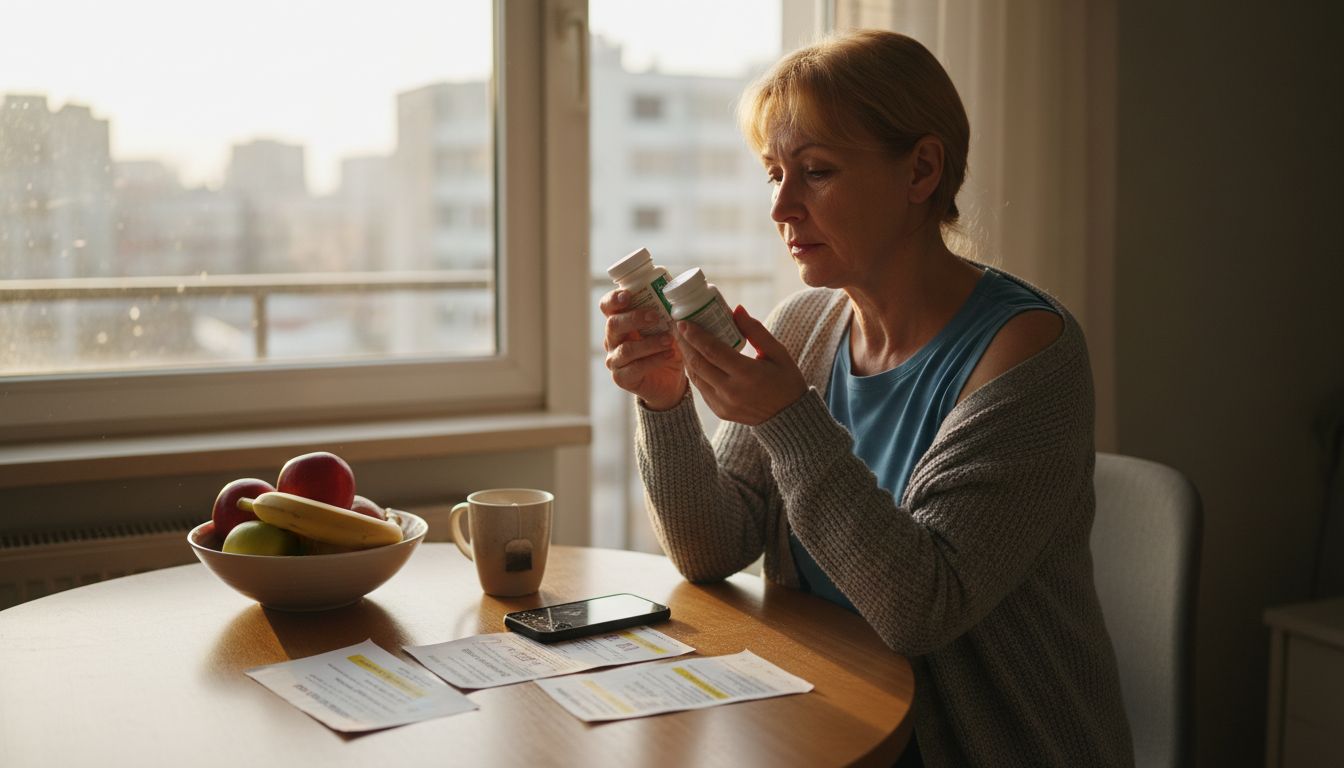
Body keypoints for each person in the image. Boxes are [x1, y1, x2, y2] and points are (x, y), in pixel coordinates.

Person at [599, 29, 1133, 768]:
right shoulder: (807, 327)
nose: (783, 207)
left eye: (815, 172)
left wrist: (787, 420)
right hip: (831, 723)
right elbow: (712, 549)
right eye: (772, 174)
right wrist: (664, 402)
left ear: (920, 170)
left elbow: (923, 608)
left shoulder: (1028, 354)